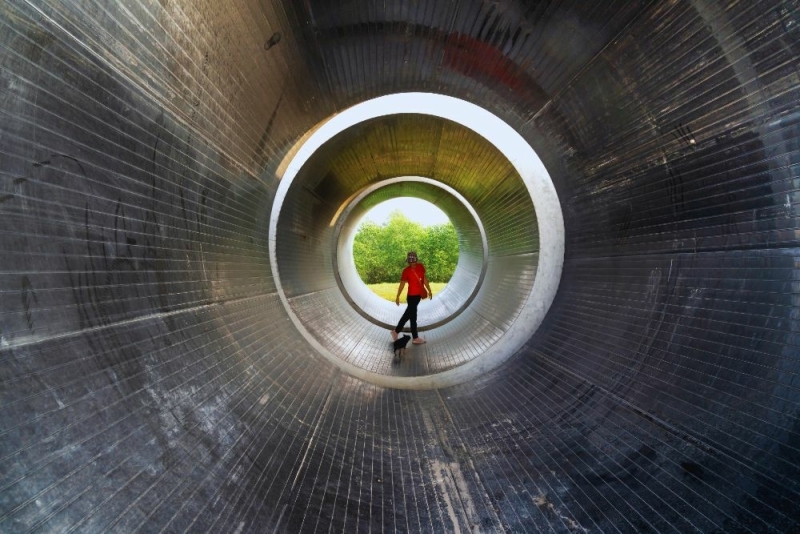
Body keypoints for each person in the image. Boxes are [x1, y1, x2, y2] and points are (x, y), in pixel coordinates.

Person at [390, 251, 433, 345]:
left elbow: (424, 279)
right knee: (411, 316)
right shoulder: (406, 271)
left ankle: (397, 332)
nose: (412, 263)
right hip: (411, 296)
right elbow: (402, 284)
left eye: (413, 261)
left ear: (416, 260)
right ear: (408, 262)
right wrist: (397, 296)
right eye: (410, 261)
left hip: (418, 296)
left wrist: (429, 290)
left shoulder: (421, 266)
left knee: (410, 315)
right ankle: (413, 337)